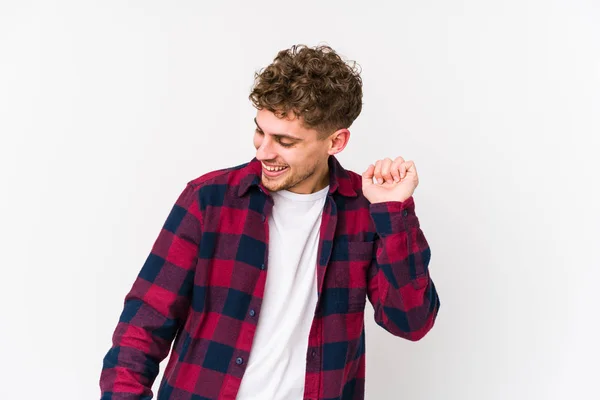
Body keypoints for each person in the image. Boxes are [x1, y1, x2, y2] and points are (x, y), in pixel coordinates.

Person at [100, 44, 440, 400]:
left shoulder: (365, 210)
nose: (263, 151)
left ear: (336, 141)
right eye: (261, 131)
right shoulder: (209, 199)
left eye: (284, 141)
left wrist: (392, 212)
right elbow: (144, 323)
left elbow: (411, 322)